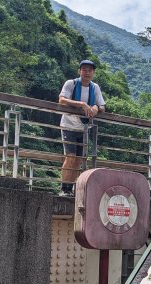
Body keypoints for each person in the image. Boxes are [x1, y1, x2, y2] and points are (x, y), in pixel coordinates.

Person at [58, 59, 105, 196]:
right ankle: (64, 188)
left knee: (78, 159)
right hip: (68, 125)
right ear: (79, 71)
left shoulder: (94, 87)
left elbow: (102, 106)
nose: (87, 72)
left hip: (83, 128)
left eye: (90, 70)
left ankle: (70, 189)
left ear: (93, 73)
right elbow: (61, 99)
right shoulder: (71, 83)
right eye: (84, 69)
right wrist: (82, 104)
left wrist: (96, 107)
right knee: (70, 156)